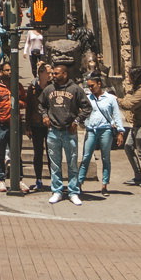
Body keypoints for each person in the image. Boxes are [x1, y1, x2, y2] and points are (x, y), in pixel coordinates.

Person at [41, 61, 87, 205]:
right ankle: (57, 191)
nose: (53, 76)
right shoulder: (48, 90)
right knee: (55, 164)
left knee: (72, 164)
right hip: (53, 132)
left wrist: (77, 121)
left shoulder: (75, 89)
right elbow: (41, 105)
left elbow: (87, 107)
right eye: (52, 73)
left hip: (69, 131)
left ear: (64, 74)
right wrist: (45, 116)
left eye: (56, 73)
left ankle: (73, 192)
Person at [76, 73, 126, 197]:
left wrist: (120, 132)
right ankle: (79, 183)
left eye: (92, 86)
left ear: (99, 84)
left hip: (106, 130)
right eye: (89, 86)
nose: (91, 88)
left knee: (105, 157)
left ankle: (104, 184)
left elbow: (117, 115)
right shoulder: (88, 98)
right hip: (91, 130)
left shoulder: (110, 99)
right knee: (86, 157)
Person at [23, 72, 50, 193]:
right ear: (41, 74)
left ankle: (54, 179)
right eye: (47, 73)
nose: (49, 75)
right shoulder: (32, 88)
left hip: (50, 125)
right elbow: (28, 107)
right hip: (35, 124)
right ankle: (38, 179)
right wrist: (27, 125)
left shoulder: (53, 87)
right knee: (38, 153)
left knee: (52, 154)